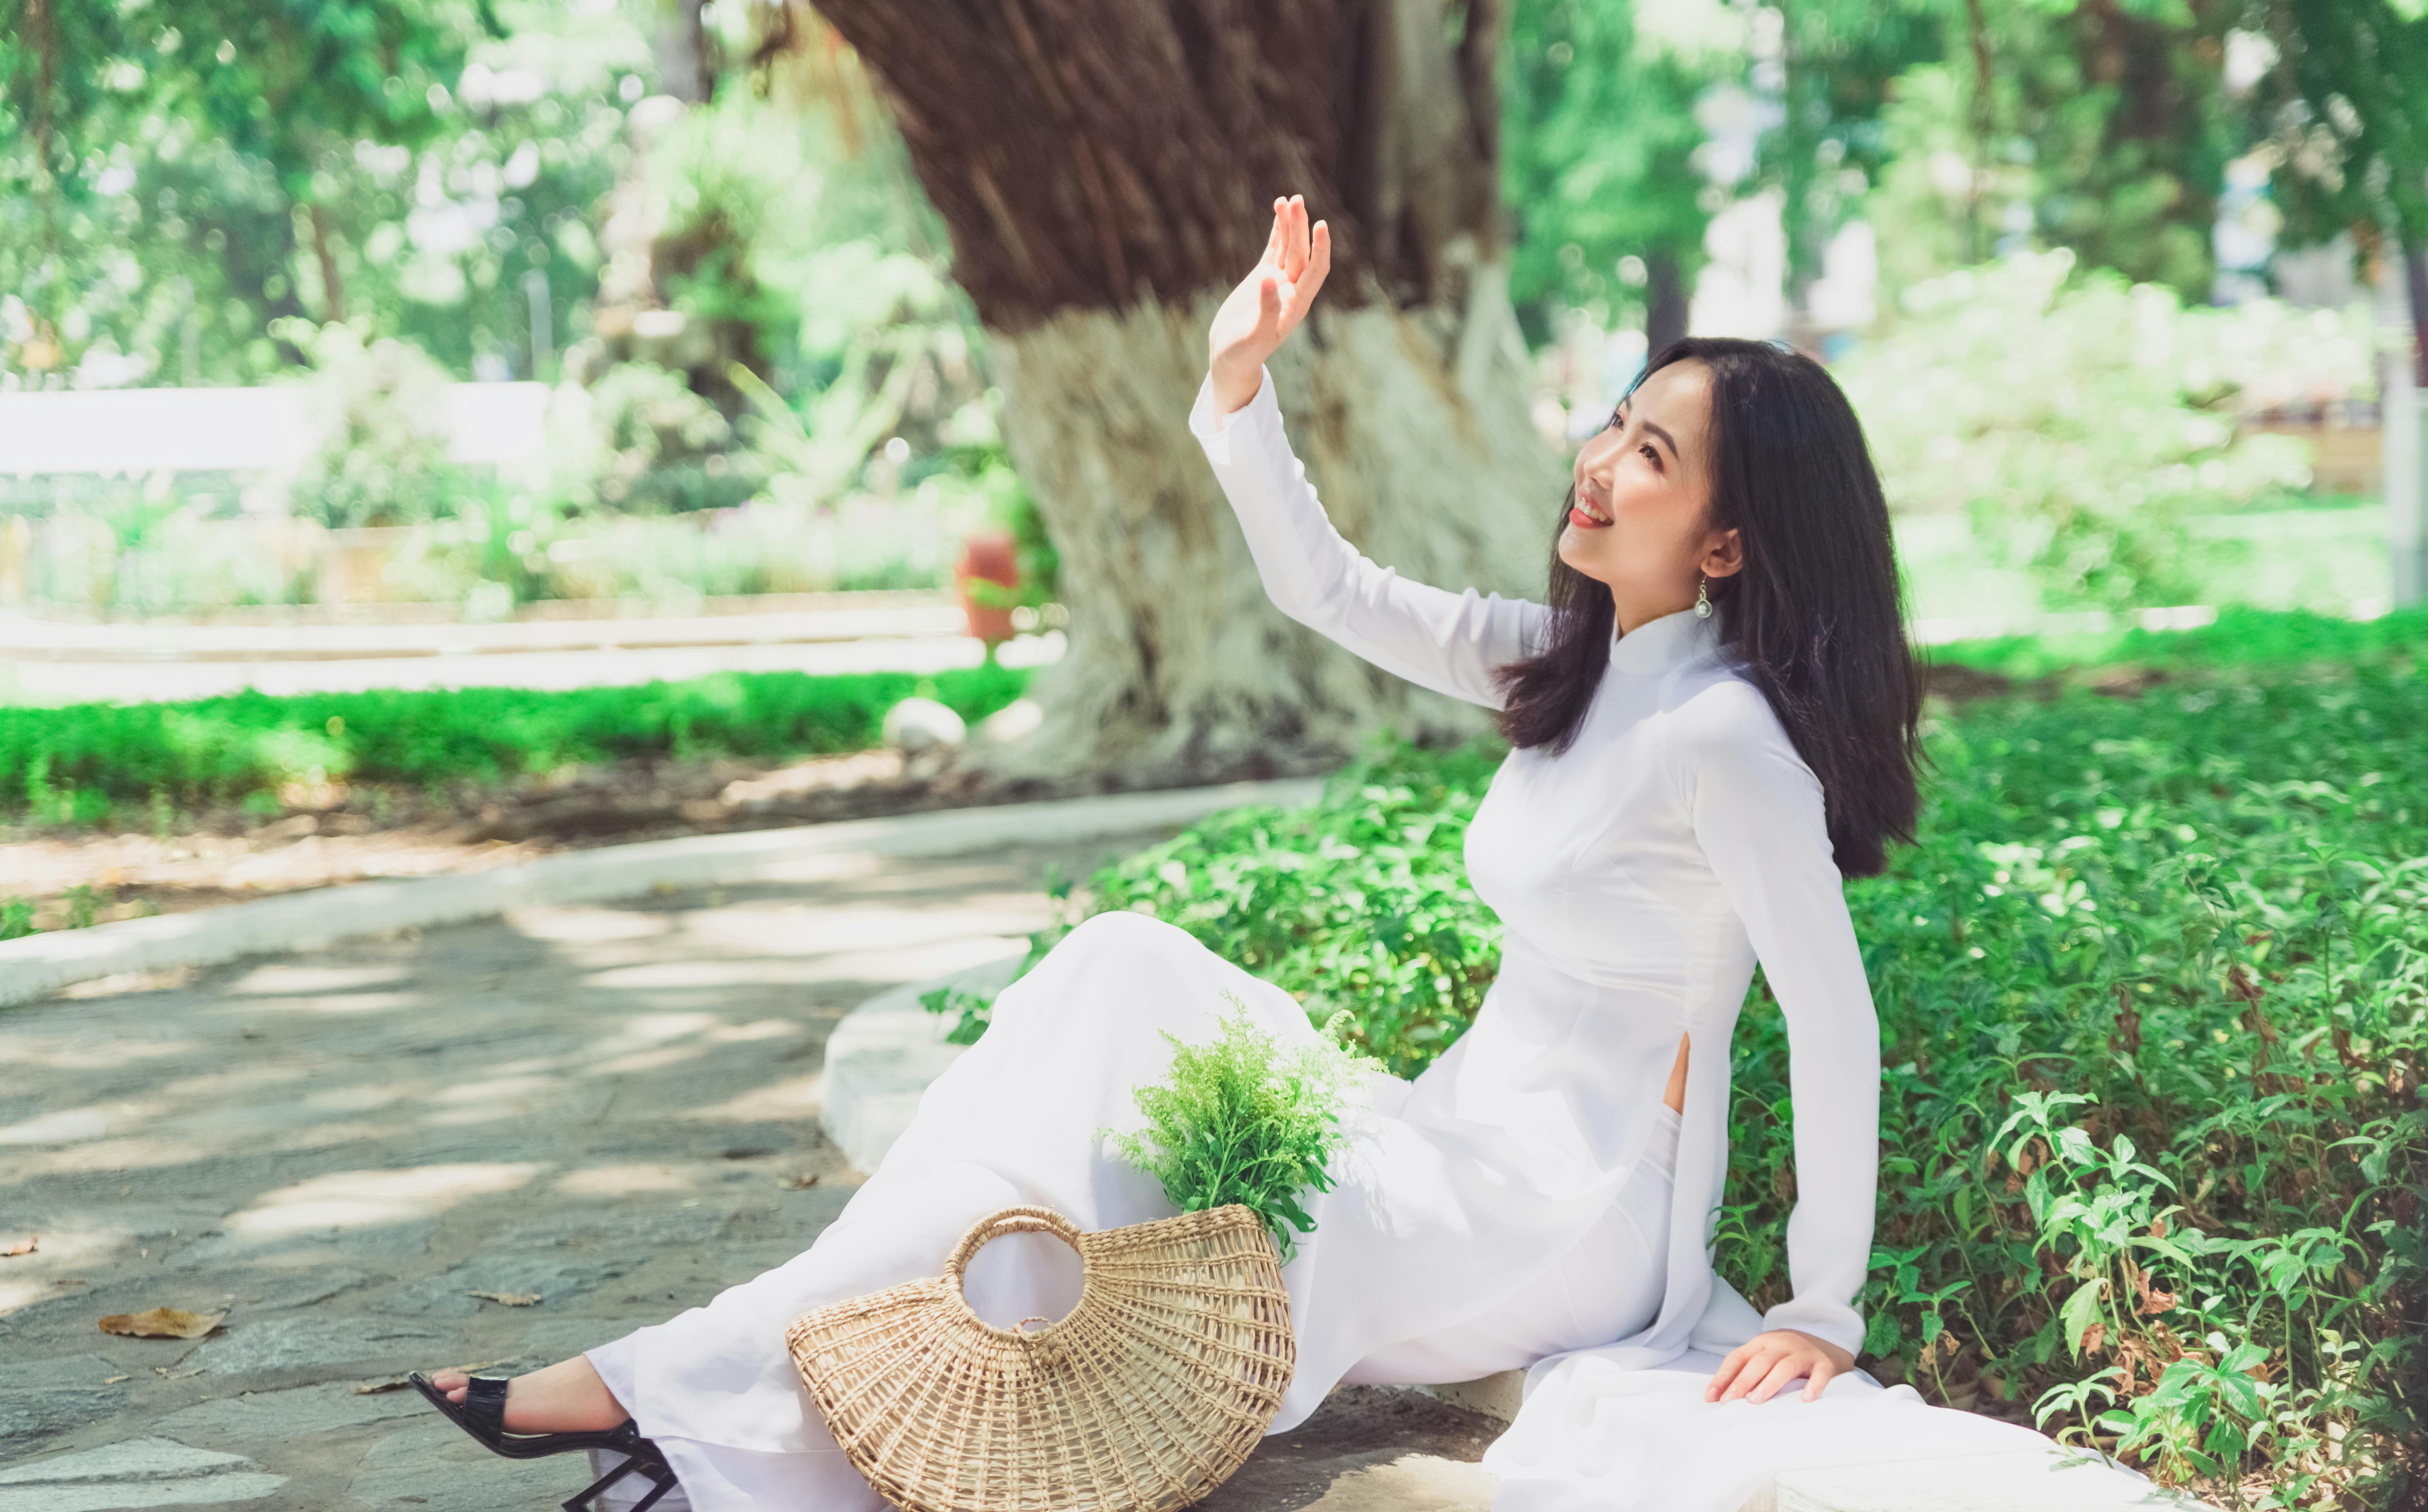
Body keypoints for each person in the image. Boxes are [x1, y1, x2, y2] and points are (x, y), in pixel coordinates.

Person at [410, 196, 1937, 1511]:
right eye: (1615, 418)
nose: (1598, 462)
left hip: (1556, 1217)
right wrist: (1238, 381)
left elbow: (1833, 1019)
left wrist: (1822, 1307)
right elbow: (1328, 587)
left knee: (1117, 1091)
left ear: (1728, 543)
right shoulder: (1574, 662)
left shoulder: (1724, 743)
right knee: (1112, 974)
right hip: (1446, 1136)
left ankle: (669, 1394)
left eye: (1652, 453)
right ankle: (741, 1399)